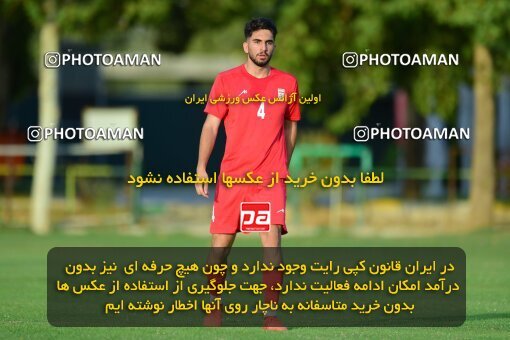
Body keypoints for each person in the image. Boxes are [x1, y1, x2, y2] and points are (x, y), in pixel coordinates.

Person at [195, 17, 300, 331]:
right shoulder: (225, 81)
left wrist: (283, 164)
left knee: (272, 249)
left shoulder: (288, 83)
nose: (263, 48)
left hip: (268, 181)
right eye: (257, 42)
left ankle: (270, 315)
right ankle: (214, 309)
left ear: (274, 45)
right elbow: (211, 125)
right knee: (219, 251)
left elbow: (292, 125)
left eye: (268, 42)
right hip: (233, 180)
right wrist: (201, 167)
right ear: (246, 45)